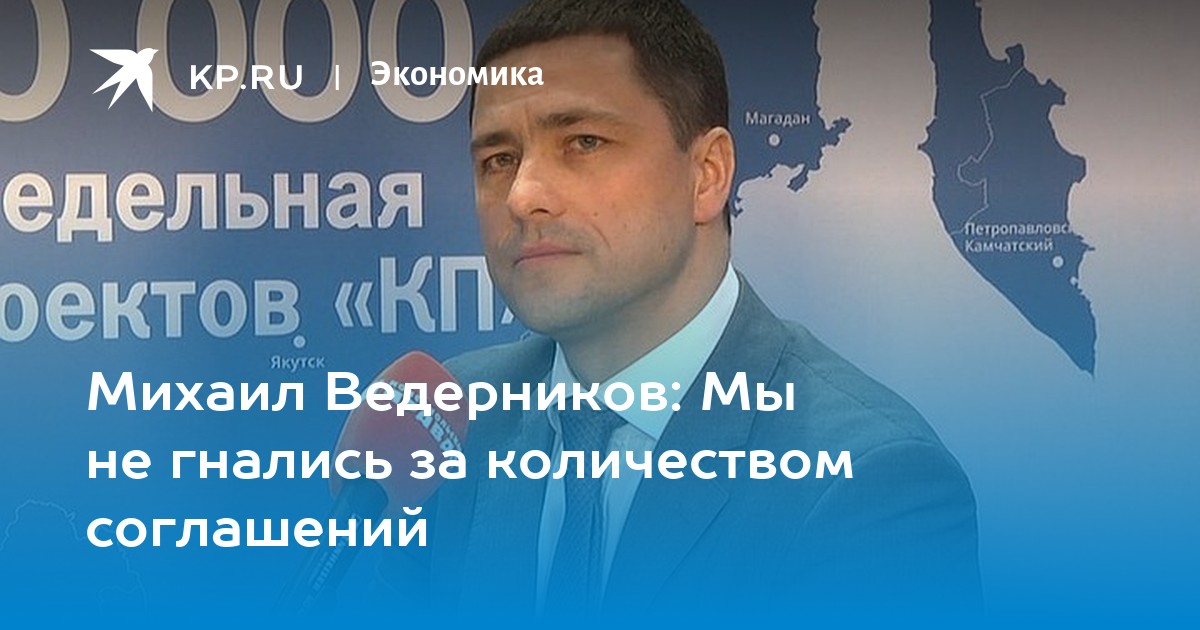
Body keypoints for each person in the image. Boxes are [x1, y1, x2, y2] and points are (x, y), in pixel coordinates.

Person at [380, 0, 981, 620]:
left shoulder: (871, 483)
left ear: (708, 174)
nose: (522, 195)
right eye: (498, 160)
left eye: (584, 142)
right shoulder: (446, 423)